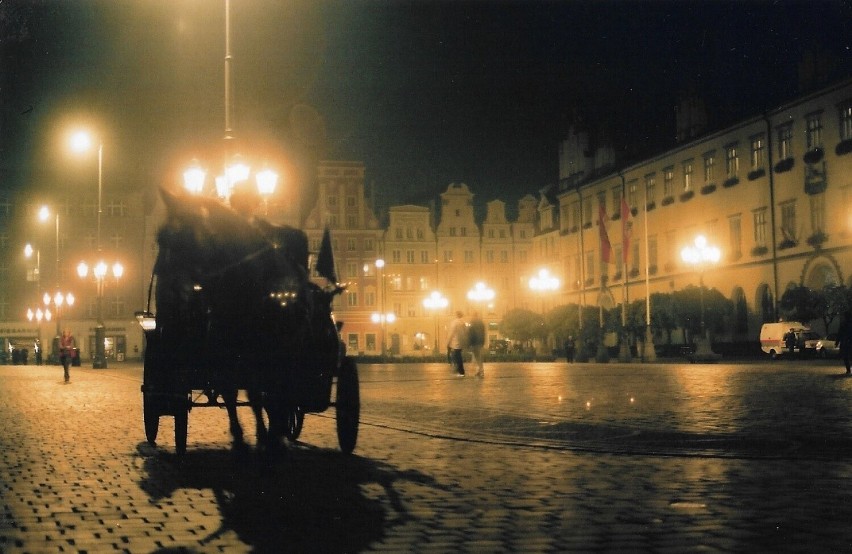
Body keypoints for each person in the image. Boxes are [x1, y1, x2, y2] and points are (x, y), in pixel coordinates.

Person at [446, 311, 467, 377]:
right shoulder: (463, 323)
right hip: (461, 342)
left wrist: (448, 342)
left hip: (455, 342)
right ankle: (458, 370)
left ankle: (461, 372)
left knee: (457, 357)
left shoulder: (454, 322)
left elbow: (451, 333)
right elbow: (465, 332)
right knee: (457, 356)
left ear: (456, 315)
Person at [467, 311, 486, 378]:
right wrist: (483, 341)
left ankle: (481, 371)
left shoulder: (472, 322)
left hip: (475, 342)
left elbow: (471, 333)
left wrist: (470, 343)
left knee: (477, 357)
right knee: (479, 357)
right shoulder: (481, 322)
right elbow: (483, 333)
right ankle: (480, 371)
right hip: (480, 342)